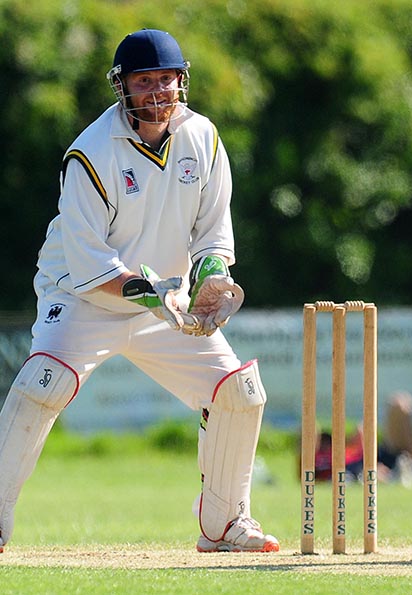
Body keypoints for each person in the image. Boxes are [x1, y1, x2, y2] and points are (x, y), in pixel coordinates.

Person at [0, 29, 279, 554]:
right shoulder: (90, 153)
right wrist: (156, 296)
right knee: (45, 382)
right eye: (143, 82)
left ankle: (223, 525)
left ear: (182, 82)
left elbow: (213, 234)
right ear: (121, 87)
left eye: (166, 81)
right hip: (84, 297)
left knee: (239, 394)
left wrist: (212, 277)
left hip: (165, 303)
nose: (157, 93)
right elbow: (88, 261)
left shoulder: (204, 139)